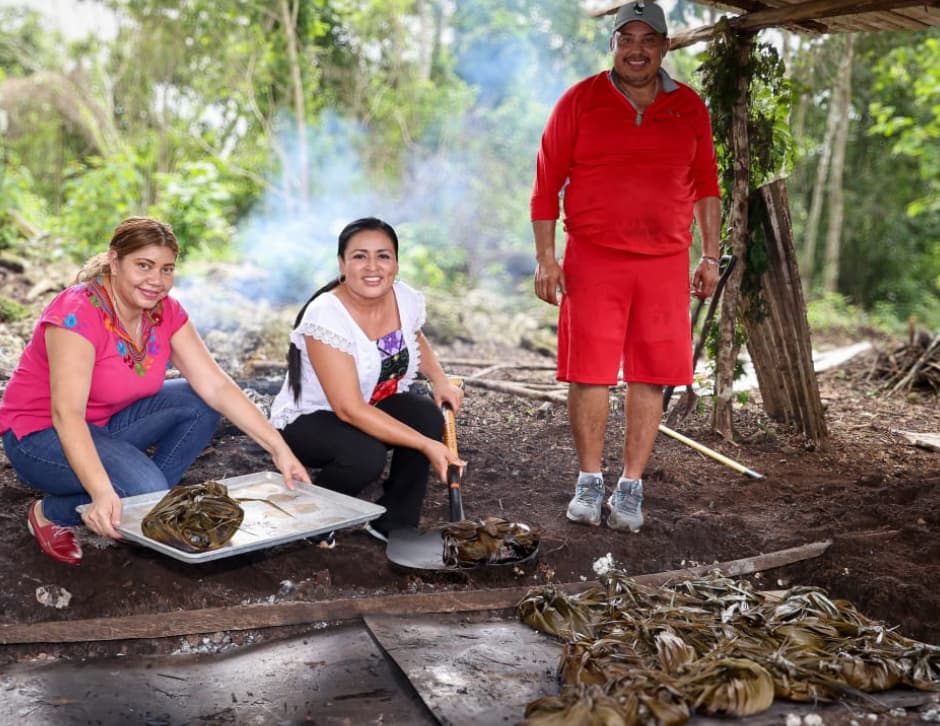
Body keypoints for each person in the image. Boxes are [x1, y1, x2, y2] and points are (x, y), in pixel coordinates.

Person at [0, 217, 311, 565]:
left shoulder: (165, 311)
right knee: (143, 490)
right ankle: (52, 512)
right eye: (143, 266)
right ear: (115, 261)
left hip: (104, 426)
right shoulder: (77, 313)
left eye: (166, 269)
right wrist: (102, 491)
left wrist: (279, 448)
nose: (156, 281)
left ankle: (140, 503)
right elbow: (66, 414)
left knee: (198, 403)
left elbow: (217, 385)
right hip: (40, 435)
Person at [530, 1, 721, 532]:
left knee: (651, 374)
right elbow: (546, 185)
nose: (636, 48)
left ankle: (630, 487)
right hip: (593, 257)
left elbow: (707, 184)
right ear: (613, 44)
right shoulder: (579, 101)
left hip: (664, 262)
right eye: (626, 38)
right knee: (589, 371)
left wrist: (708, 253)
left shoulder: (690, 107)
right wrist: (547, 257)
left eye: (648, 39)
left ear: (664, 47)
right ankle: (589, 481)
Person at [269, 217, 465, 543]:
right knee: (364, 456)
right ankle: (311, 518)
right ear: (342, 264)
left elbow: (413, 335)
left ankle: (394, 522)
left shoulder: (402, 298)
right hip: (312, 419)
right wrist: (427, 445)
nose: (372, 266)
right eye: (360, 256)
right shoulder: (327, 315)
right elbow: (348, 409)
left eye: (383, 256)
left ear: (396, 264)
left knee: (425, 417)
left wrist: (439, 379)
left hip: (368, 402)